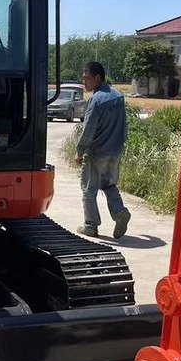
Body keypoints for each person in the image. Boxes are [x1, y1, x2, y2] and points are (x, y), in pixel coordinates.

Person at [73, 61, 131, 239]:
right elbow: (124, 124)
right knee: (109, 185)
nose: (85, 84)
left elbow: (88, 128)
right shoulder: (118, 96)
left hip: (97, 152)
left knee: (88, 190)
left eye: (87, 79)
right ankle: (119, 213)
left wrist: (80, 151)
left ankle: (91, 226)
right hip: (115, 151)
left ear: (97, 77)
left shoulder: (96, 100)